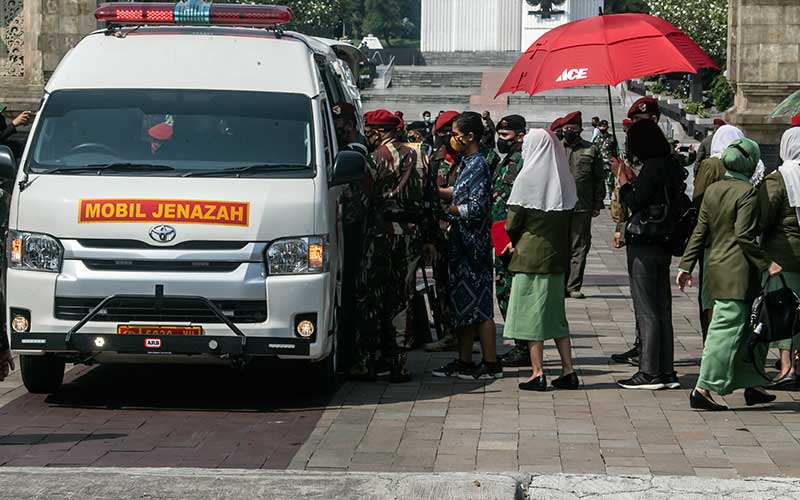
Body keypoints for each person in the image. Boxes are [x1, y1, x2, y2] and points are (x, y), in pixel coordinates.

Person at [678, 138, 780, 410]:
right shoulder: (747, 192)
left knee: (750, 330)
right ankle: (703, 388)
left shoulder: (713, 190)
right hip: (739, 271)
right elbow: (744, 235)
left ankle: (753, 384)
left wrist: (685, 266)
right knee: (726, 332)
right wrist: (767, 263)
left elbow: (700, 232)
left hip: (715, 268)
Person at [503, 129, 579, 391]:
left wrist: (512, 238)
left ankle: (538, 372)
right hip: (557, 258)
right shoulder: (565, 179)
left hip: (529, 257)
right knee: (557, 317)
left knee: (532, 317)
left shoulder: (526, 179)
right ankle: (568, 370)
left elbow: (512, 222)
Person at [612, 119, 684, 390]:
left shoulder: (652, 167)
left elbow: (635, 202)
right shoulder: (670, 165)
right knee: (662, 307)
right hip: (664, 241)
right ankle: (666, 371)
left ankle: (649, 372)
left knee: (646, 308)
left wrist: (624, 182)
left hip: (644, 241)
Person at [432, 112, 501, 380]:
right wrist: (436, 191)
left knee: (480, 306)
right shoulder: (467, 161)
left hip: (474, 245)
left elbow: (477, 207)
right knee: (463, 304)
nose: (453, 138)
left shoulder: (479, 164)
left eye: (456, 133)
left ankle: (490, 362)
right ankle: (464, 360)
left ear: (470, 136)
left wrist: (448, 210)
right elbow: (459, 191)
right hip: (461, 244)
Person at [355, 109, 420, 383]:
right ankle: (399, 364)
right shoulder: (418, 156)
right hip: (409, 235)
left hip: (380, 234)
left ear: (378, 132)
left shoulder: (375, 158)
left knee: (371, 297)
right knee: (402, 298)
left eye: (369, 131)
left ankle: (368, 362)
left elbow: (361, 198)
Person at [333, 102, 374, 376]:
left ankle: (356, 357)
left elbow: (357, 203)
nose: (338, 127)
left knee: (353, 296)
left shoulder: (355, 152)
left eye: (342, 122)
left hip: (356, 234)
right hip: (349, 231)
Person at [759, 127, 800, 389]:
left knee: (784, 310)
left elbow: (763, 218)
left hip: (782, 255)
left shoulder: (778, 179)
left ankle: (787, 367)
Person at [490, 115, 529, 368]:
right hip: (500, 233)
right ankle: (519, 345)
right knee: (504, 292)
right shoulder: (506, 161)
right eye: (499, 135)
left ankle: (523, 348)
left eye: (505, 136)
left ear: (520, 136)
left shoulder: (524, 162)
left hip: (513, 238)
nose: (500, 140)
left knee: (513, 293)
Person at [423, 110, 461, 353]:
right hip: (441, 232)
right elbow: (427, 197)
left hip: (465, 230)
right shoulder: (434, 159)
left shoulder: (474, 158)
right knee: (443, 283)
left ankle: (468, 331)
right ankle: (448, 332)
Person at [561, 111, 605, 299]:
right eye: (566, 128)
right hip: (559, 205)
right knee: (560, 245)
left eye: (573, 128)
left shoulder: (591, 149)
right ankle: (560, 284)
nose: (569, 131)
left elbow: (598, 178)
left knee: (579, 246)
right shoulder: (555, 148)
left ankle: (573, 286)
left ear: (580, 130)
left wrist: (598, 203)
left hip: (582, 205)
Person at [593, 119, 619, 198]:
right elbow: (593, 150)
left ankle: (612, 197)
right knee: (599, 182)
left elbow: (616, 150)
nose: (603, 128)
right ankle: (600, 198)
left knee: (610, 182)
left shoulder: (612, 138)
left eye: (604, 126)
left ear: (607, 127)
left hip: (609, 163)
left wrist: (616, 161)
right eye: (601, 126)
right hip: (599, 163)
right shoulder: (596, 139)